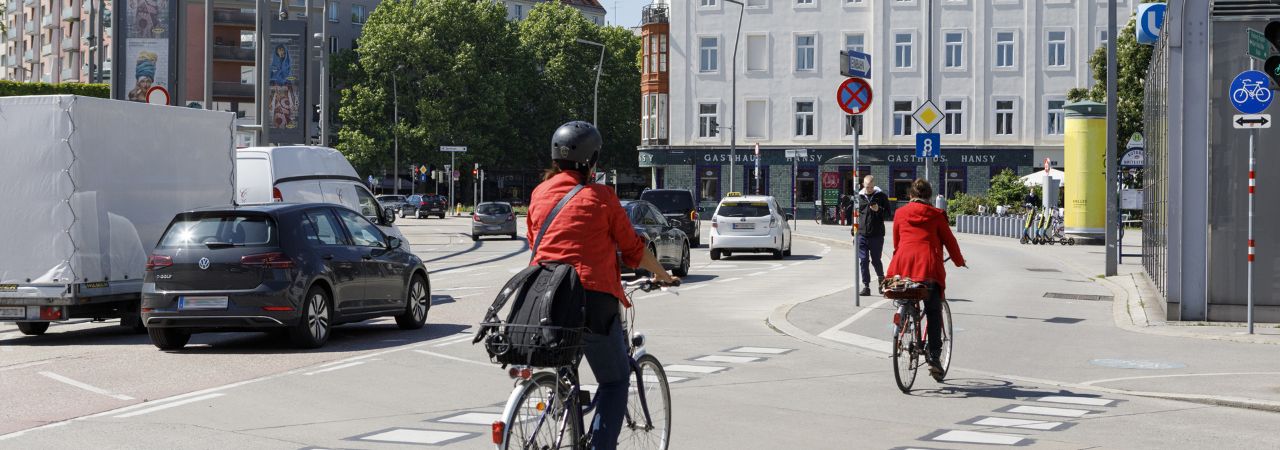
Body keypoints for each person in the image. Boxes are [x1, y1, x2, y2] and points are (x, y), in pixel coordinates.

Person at [527, 121, 677, 450]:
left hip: (544, 299)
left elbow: (536, 245)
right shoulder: (601, 197)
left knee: (566, 361)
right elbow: (634, 251)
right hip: (591, 300)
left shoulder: (538, 195)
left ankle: (559, 399)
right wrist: (663, 275)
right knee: (614, 380)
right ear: (591, 160)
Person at [886, 179, 966, 379]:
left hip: (902, 265)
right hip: (928, 267)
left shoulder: (900, 213)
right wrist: (958, 261)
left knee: (906, 296)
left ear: (910, 196)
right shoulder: (937, 215)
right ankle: (935, 358)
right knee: (933, 310)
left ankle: (904, 321)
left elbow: (897, 242)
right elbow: (950, 242)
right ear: (929, 196)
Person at [854, 175, 890, 296]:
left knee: (876, 260)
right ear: (863, 185)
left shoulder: (882, 196)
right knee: (863, 261)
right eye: (866, 187)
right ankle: (866, 286)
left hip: (876, 234)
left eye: (870, 187)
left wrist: (878, 210)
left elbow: (889, 214)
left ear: (874, 185)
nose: (868, 189)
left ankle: (881, 280)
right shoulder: (858, 197)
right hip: (862, 234)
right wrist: (853, 232)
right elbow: (855, 215)